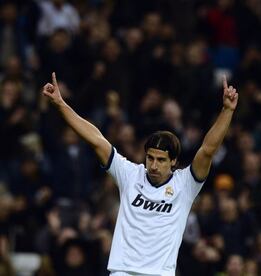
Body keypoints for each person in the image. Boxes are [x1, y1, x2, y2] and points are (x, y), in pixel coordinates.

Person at [42, 72, 238, 275]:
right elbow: (96, 140)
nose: (153, 165)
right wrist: (61, 105)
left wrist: (226, 111)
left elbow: (207, 149)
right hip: (122, 272)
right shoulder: (130, 175)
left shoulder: (186, 184)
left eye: (161, 160)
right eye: (150, 158)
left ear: (173, 161)